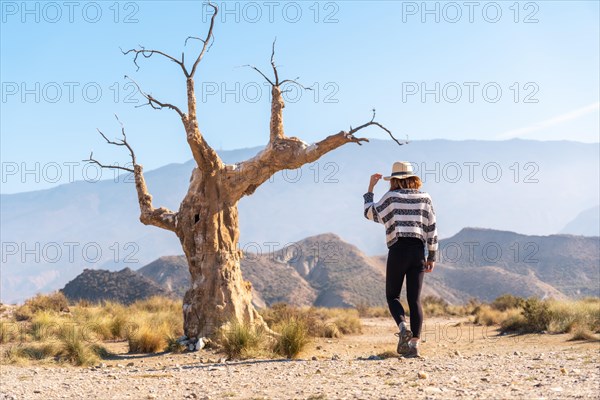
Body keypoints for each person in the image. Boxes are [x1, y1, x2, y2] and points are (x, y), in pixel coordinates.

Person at [363, 161, 438, 358]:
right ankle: (414, 346)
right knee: (415, 300)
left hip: (397, 250)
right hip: (417, 252)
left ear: (394, 179)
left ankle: (403, 327)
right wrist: (431, 255)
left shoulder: (391, 197)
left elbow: (369, 213)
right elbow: (431, 228)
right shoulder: (425, 197)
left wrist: (370, 188)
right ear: (413, 178)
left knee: (393, 296)